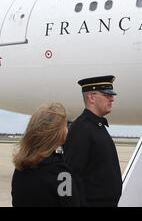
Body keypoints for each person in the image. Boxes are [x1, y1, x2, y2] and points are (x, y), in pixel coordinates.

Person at [63, 75, 122, 207]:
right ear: (91, 97)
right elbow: (70, 174)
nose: (112, 99)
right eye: (107, 95)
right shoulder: (81, 128)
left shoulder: (97, 125)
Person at [11, 103, 79, 207]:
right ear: (58, 133)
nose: (67, 130)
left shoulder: (20, 168)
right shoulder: (62, 174)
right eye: (65, 126)